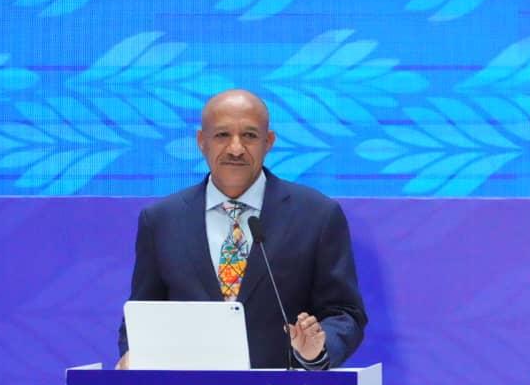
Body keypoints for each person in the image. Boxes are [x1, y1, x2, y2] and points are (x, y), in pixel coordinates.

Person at [117, 89, 367, 369]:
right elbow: (142, 313)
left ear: (268, 142)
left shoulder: (316, 215)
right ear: (201, 141)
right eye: (222, 135)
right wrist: (134, 354)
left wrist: (316, 350)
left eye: (249, 136)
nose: (235, 149)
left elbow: (345, 313)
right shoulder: (162, 220)